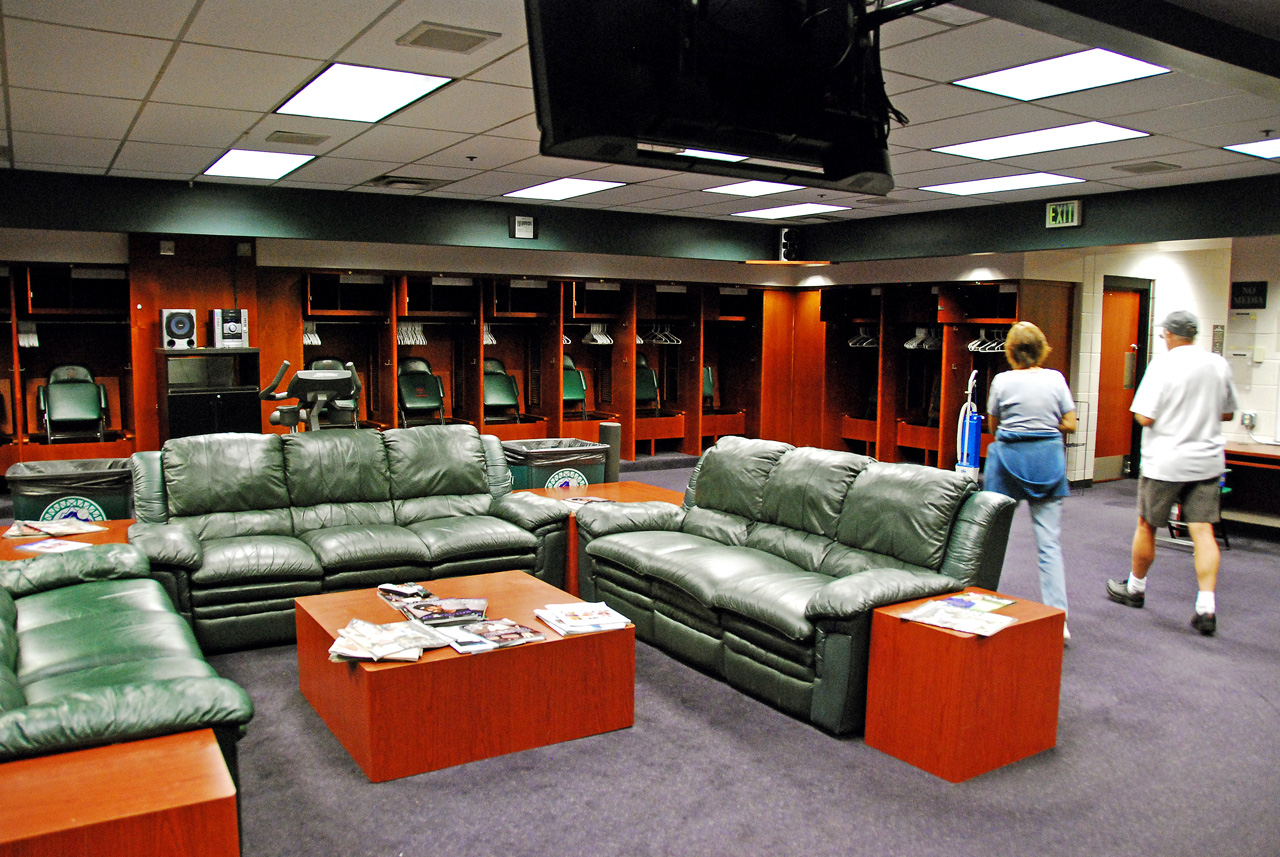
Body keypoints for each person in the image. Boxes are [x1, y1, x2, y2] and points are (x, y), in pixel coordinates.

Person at [1106, 310, 1238, 636]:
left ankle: (1135, 588)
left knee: (1147, 525)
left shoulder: (1162, 365)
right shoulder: (1218, 364)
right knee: (1203, 530)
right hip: (1206, 462)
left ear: (1167, 335)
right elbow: (1226, 411)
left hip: (1165, 462)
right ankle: (1206, 607)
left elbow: (1145, 417)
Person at [983, 322, 1078, 639]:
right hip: (1046, 463)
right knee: (1049, 544)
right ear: (1043, 349)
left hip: (1007, 463)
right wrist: (1046, 426)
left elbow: (994, 424)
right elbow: (1070, 423)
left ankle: (980, 607)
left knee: (989, 542)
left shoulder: (1002, 381)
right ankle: (1058, 622)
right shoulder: (1056, 380)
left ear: (1010, 351)